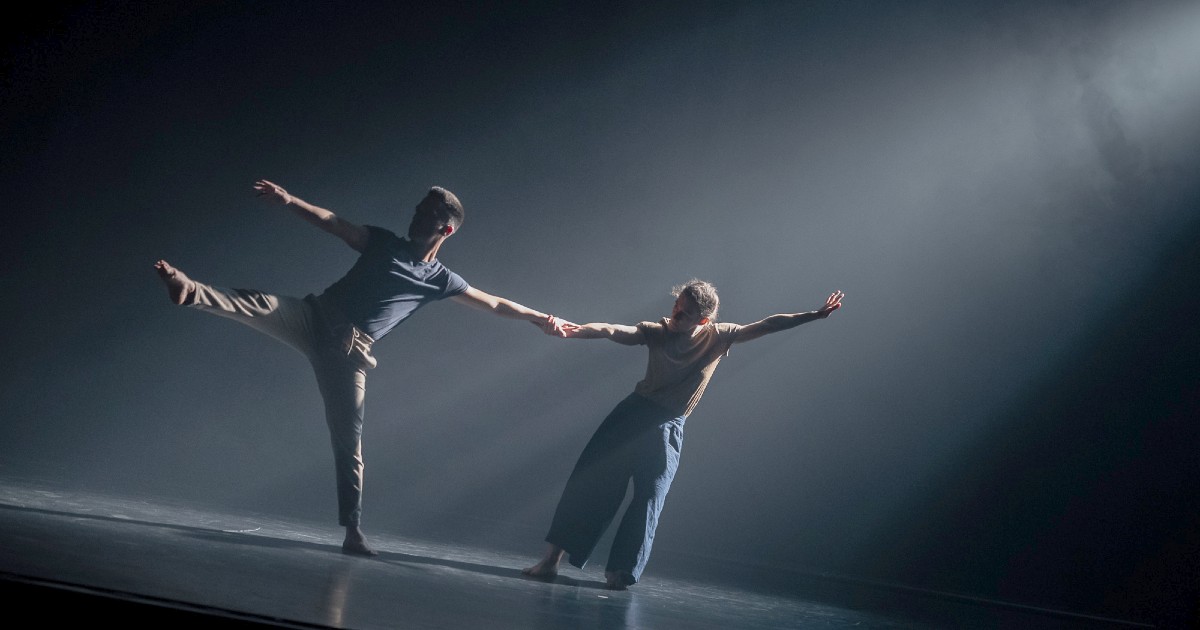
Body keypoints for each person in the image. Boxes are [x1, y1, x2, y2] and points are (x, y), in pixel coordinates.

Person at [155, 179, 569, 557]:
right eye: (417, 209)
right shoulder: (383, 242)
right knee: (259, 303)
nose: (416, 217)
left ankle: (352, 531)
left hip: (348, 353)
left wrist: (540, 318)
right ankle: (190, 291)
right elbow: (335, 224)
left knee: (348, 441)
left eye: (426, 214)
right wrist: (287, 200)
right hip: (313, 316)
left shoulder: (441, 279)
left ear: (446, 230)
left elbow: (495, 303)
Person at [522, 279, 843, 589]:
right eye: (676, 306)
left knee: (650, 497)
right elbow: (614, 330)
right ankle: (551, 560)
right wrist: (577, 330)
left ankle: (621, 571)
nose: (674, 314)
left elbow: (768, 324)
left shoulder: (719, 336)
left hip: (668, 424)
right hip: (632, 414)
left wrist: (814, 315)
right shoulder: (658, 331)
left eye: (683, 312)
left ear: (703, 319)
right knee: (590, 481)